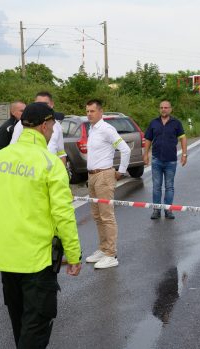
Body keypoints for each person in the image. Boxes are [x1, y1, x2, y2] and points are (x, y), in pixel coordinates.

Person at [0, 102, 82, 348]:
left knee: (20, 328)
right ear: (44, 126)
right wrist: (74, 254)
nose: (54, 129)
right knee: (35, 331)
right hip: (37, 262)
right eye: (54, 124)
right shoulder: (51, 163)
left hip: (5, 260)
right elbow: (63, 214)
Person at [83, 99, 130, 269]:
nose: (89, 114)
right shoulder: (92, 129)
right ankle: (103, 249)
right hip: (93, 176)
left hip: (104, 175)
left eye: (92, 111)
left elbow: (125, 149)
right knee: (97, 216)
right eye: (87, 111)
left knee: (106, 216)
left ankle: (111, 254)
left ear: (101, 112)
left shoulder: (107, 129)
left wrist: (121, 171)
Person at [143, 100, 187, 219]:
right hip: (156, 160)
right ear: (159, 109)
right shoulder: (154, 123)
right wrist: (145, 154)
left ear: (170, 109)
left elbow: (183, 138)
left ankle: (168, 210)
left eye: (166, 107)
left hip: (171, 161)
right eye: (162, 107)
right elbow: (148, 139)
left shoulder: (176, 123)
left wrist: (184, 154)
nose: (164, 109)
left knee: (169, 186)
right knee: (156, 186)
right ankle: (156, 210)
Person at [11, 91, 67, 165]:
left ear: (52, 104)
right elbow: (13, 149)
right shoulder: (22, 124)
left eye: (45, 104)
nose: (41, 107)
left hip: (52, 170)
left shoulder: (57, 125)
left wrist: (62, 171)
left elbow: (61, 153)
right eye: (38, 104)